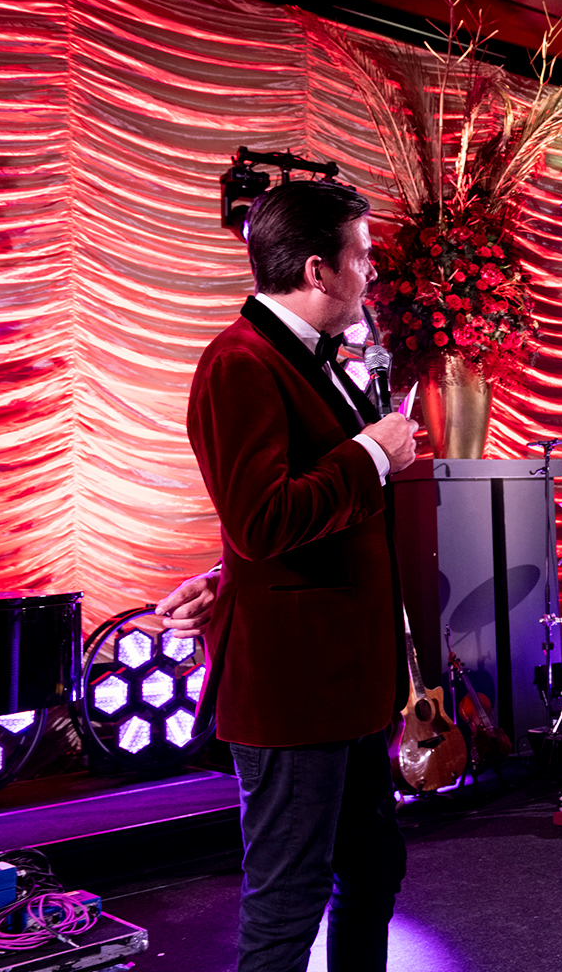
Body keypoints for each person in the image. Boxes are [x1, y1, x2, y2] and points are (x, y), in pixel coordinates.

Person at [173, 179, 418, 972]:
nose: (371, 272)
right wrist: (371, 453)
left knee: (372, 873)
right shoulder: (238, 363)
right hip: (297, 693)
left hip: (347, 687)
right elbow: (262, 519)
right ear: (318, 270)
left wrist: (225, 582)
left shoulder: (307, 360)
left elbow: (271, 534)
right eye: (363, 255)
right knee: (287, 905)